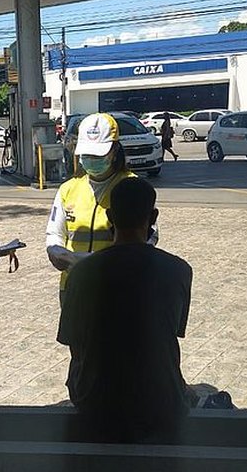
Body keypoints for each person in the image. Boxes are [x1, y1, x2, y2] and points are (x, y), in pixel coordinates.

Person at [57, 177, 192, 443]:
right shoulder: (178, 270)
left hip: (95, 399)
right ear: (153, 217)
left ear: (109, 216)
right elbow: (172, 332)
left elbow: (72, 341)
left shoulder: (81, 273)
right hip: (159, 398)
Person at [46, 113, 148, 303]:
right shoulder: (68, 189)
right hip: (74, 285)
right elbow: (55, 233)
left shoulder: (132, 187)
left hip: (117, 288)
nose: (91, 159)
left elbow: (149, 239)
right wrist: (55, 252)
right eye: (87, 154)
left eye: (97, 154)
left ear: (115, 150)